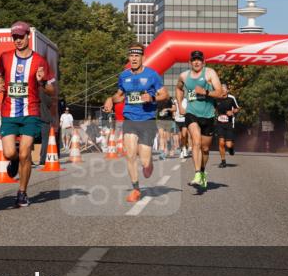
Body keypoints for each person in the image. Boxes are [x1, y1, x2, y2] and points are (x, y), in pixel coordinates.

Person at [0, 21, 56, 207]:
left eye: (21, 37)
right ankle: (13, 163)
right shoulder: (5, 57)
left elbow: (51, 90)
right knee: (9, 152)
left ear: (28, 36)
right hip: (9, 112)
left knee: (24, 154)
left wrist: (41, 82)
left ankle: (22, 192)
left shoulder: (39, 61)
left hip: (31, 111)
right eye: (15, 37)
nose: (18, 40)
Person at [103, 43, 169, 203]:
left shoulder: (152, 75)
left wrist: (152, 98)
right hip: (130, 119)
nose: (133, 59)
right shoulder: (124, 76)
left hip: (147, 120)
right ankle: (136, 189)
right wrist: (110, 99)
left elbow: (165, 95)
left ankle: (149, 163)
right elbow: (119, 95)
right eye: (131, 56)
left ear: (142, 58)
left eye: (136, 56)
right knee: (130, 155)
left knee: (145, 161)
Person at [175, 50, 223, 190]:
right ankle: (196, 174)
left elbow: (219, 92)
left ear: (203, 62)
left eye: (199, 60)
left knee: (205, 148)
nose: (196, 62)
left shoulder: (209, 73)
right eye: (194, 60)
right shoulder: (184, 76)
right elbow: (178, 89)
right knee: (195, 142)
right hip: (191, 113)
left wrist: (205, 92)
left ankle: (202, 171)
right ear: (190, 62)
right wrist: (180, 106)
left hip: (208, 115)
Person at [214, 83, 240, 168]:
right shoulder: (217, 98)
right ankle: (223, 161)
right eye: (221, 88)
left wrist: (232, 112)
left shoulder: (231, 98)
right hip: (220, 123)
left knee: (228, 144)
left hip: (229, 123)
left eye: (224, 88)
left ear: (227, 90)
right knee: (221, 143)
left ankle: (231, 148)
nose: (222, 90)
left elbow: (237, 108)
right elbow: (213, 108)